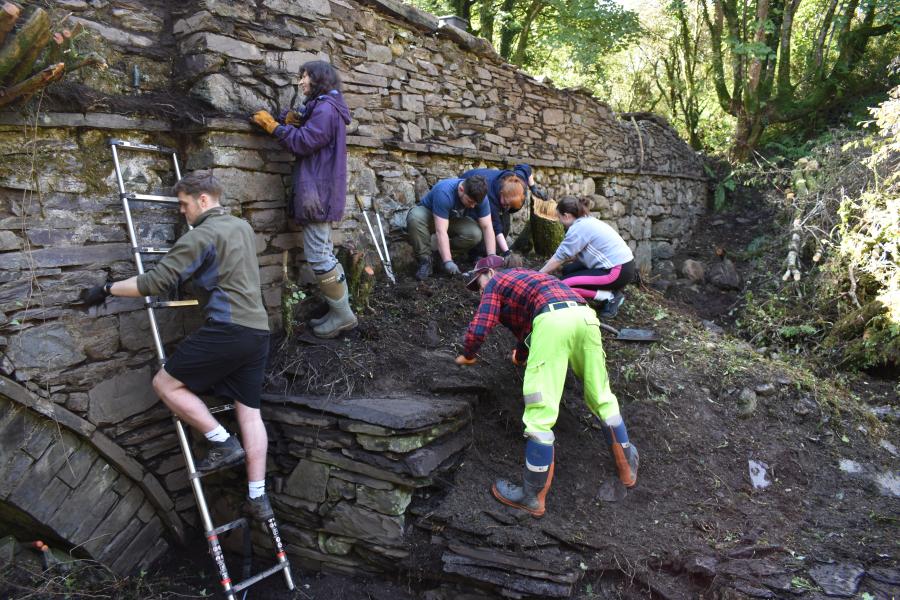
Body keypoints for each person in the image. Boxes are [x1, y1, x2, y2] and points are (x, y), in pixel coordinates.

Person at [79, 171, 275, 520]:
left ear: (203, 200)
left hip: (228, 329)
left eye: (184, 204)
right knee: (249, 409)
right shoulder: (241, 227)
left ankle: (220, 441)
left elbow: (155, 282)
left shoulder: (202, 235)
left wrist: (106, 290)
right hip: (258, 331)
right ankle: (258, 497)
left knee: (164, 383)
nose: (182, 212)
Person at [455, 256, 639, 518]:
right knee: (602, 396)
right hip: (584, 317)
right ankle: (627, 468)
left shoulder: (496, 283)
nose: (480, 290)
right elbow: (530, 329)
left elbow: (482, 325)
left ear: (490, 271)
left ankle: (532, 497)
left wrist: (469, 353)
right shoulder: (534, 280)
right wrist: (520, 355)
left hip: (552, 322)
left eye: (480, 282)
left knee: (540, 412)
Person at [250, 60, 356, 339]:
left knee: (320, 255)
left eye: (305, 77)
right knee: (323, 252)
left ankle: (343, 315)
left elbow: (304, 142)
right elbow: (310, 133)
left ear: (319, 79)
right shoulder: (323, 107)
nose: (300, 82)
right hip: (318, 187)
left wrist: (274, 127)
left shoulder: (325, 109)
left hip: (318, 190)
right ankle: (338, 311)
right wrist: (295, 120)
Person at [539, 196, 635, 319]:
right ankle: (605, 292)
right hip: (622, 266)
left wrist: (538, 275)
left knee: (563, 285)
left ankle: (610, 297)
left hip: (616, 272)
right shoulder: (586, 220)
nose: (559, 221)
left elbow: (560, 256)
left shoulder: (578, 229)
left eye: (559, 217)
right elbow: (573, 254)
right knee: (567, 270)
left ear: (567, 216)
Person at [406, 175, 496, 280]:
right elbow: (441, 231)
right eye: (470, 202)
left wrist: (492, 257)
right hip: (429, 218)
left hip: (450, 219)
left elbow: (487, 227)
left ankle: (439, 257)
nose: (472, 206)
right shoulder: (444, 192)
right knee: (415, 217)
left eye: (475, 204)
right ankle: (426, 261)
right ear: (461, 189)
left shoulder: (479, 196)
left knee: (475, 233)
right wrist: (448, 261)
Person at [459, 164, 534, 257]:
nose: (507, 207)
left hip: (492, 188)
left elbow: (525, 168)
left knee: (505, 225)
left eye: (510, 205)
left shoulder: (518, 181)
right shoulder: (490, 198)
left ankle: (495, 252)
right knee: (481, 225)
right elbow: (496, 228)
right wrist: (507, 253)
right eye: (506, 204)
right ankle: (475, 255)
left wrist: (533, 187)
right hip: (472, 188)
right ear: (501, 193)